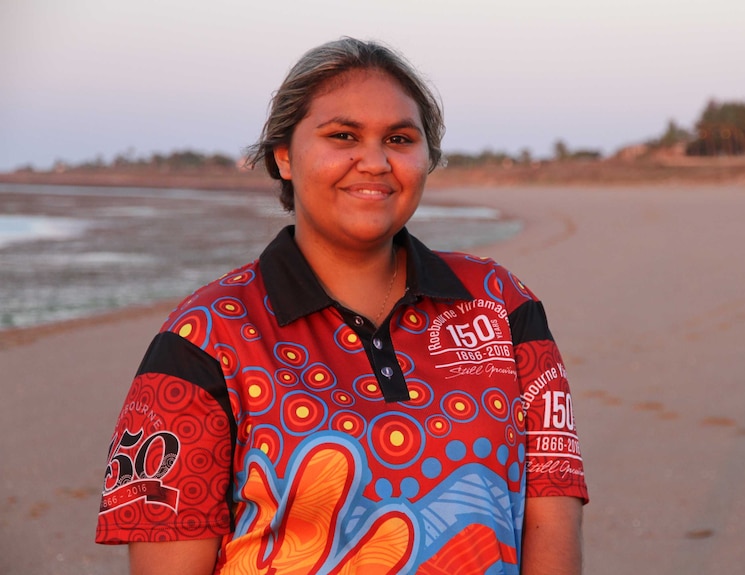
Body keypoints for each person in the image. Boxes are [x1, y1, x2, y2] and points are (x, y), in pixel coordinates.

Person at [95, 37, 588, 574]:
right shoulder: (201, 340)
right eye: (343, 136)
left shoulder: (502, 306)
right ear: (284, 155)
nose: (374, 162)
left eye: (400, 138)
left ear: (426, 158)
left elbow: (552, 517)